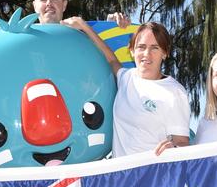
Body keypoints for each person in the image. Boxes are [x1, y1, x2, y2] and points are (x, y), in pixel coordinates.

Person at [62, 18, 190, 156]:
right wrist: (84, 26)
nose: (146, 54)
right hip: (121, 174)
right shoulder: (126, 78)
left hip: (153, 174)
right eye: (141, 47)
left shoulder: (174, 92)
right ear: (132, 50)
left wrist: (174, 148)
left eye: (155, 48)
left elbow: (182, 142)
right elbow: (110, 58)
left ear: (164, 53)